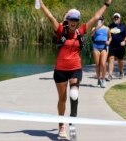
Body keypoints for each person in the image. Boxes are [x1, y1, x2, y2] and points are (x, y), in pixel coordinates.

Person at [38, 0, 112, 138]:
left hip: (75, 69)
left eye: (76, 20)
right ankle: (61, 126)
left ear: (78, 21)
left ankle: (72, 123)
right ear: (68, 20)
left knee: (74, 94)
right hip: (60, 70)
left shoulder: (81, 31)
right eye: (72, 19)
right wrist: (41, 5)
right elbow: (50, 17)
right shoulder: (61, 30)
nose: (74, 22)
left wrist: (106, 4)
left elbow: (96, 17)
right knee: (62, 99)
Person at [107, 13, 126, 81]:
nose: (116, 18)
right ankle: (110, 75)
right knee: (111, 58)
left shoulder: (123, 26)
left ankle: (121, 72)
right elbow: (107, 34)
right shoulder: (110, 26)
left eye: (117, 17)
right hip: (112, 45)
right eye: (115, 17)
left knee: (120, 60)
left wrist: (124, 41)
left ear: (120, 18)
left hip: (120, 46)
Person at [91, 16, 112, 88]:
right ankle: (98, 79)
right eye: (98, 20)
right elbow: (92, 35)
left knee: (103, 63)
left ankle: (103, 80)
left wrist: (108, 41)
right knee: (97, 64)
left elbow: (110, 37)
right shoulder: (94, 28)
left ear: (103, 21)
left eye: (101, 20)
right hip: (96, 46)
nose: (100, 21)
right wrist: (97, 27)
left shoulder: (107, 29)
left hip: (104, 47)